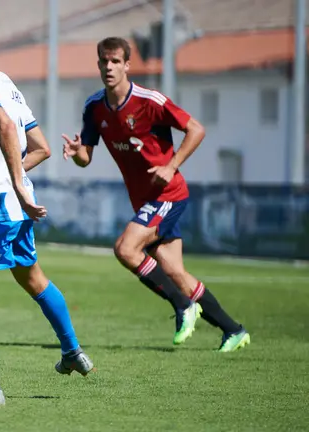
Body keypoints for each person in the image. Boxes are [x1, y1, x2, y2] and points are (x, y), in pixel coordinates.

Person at [62, 36, 250, 352]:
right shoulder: (94, 108)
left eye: (115, 61)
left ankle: (183, 306)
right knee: (174, 271)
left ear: (127, 65)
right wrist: (79, 151)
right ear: (98, 65)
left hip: (169, 195)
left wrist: (171, 165)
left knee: (125, 248)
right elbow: (86, 159)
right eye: (104, 61)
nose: (109, 67)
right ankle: (233, 330)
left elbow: (196, 129)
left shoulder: (150, 101)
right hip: (146, 201)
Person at [0, 20, 93, 407]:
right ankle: (72, 351)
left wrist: (7, 181)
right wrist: (3, 180)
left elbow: (7, 128)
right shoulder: (6, 83)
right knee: (33, 278)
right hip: (14, 204)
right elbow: (41, 146)